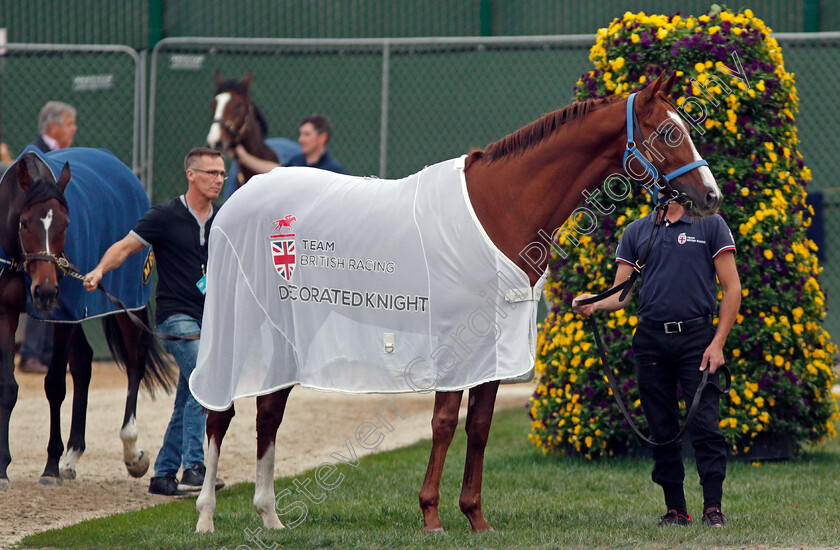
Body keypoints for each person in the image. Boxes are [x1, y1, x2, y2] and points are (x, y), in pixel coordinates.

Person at [572, 197, 741, 528]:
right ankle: (676, 510)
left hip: (698, 339)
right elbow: (621, 294)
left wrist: (717, 344)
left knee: (705, 425)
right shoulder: (637, 231)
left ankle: (713, 508)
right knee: (662, 428)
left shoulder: (710, 224)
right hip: (650, 340)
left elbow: (732, 289)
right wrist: (592, 303)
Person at [83, 147, 225, 496]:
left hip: (210, 322)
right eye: (211, 173)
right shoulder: (164, 216)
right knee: (202, 384)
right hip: (176, 319)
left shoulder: (224, 218)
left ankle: (163, 476)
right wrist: (99, 270)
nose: (219, 180)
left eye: (222, 173)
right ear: (191, 174)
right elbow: (125, 248)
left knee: (186, 398)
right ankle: (194, 467)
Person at [18, 101, 78, 374]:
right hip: (32, 237)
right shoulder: (36, 155)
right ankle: (31, 354)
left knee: (51, 284)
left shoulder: (60, 155)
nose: (74, 129)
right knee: (39, 282)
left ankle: (43, 354)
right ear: (53, 126)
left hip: (51, 233)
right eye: (69, 124)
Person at [233, 113, 345, 175]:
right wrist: (244, 157)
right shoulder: (296, 162)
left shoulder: (334, 171)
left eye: (307, 134)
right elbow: (275, 171)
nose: (301, 139)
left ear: (322, 138)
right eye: (301, 134)